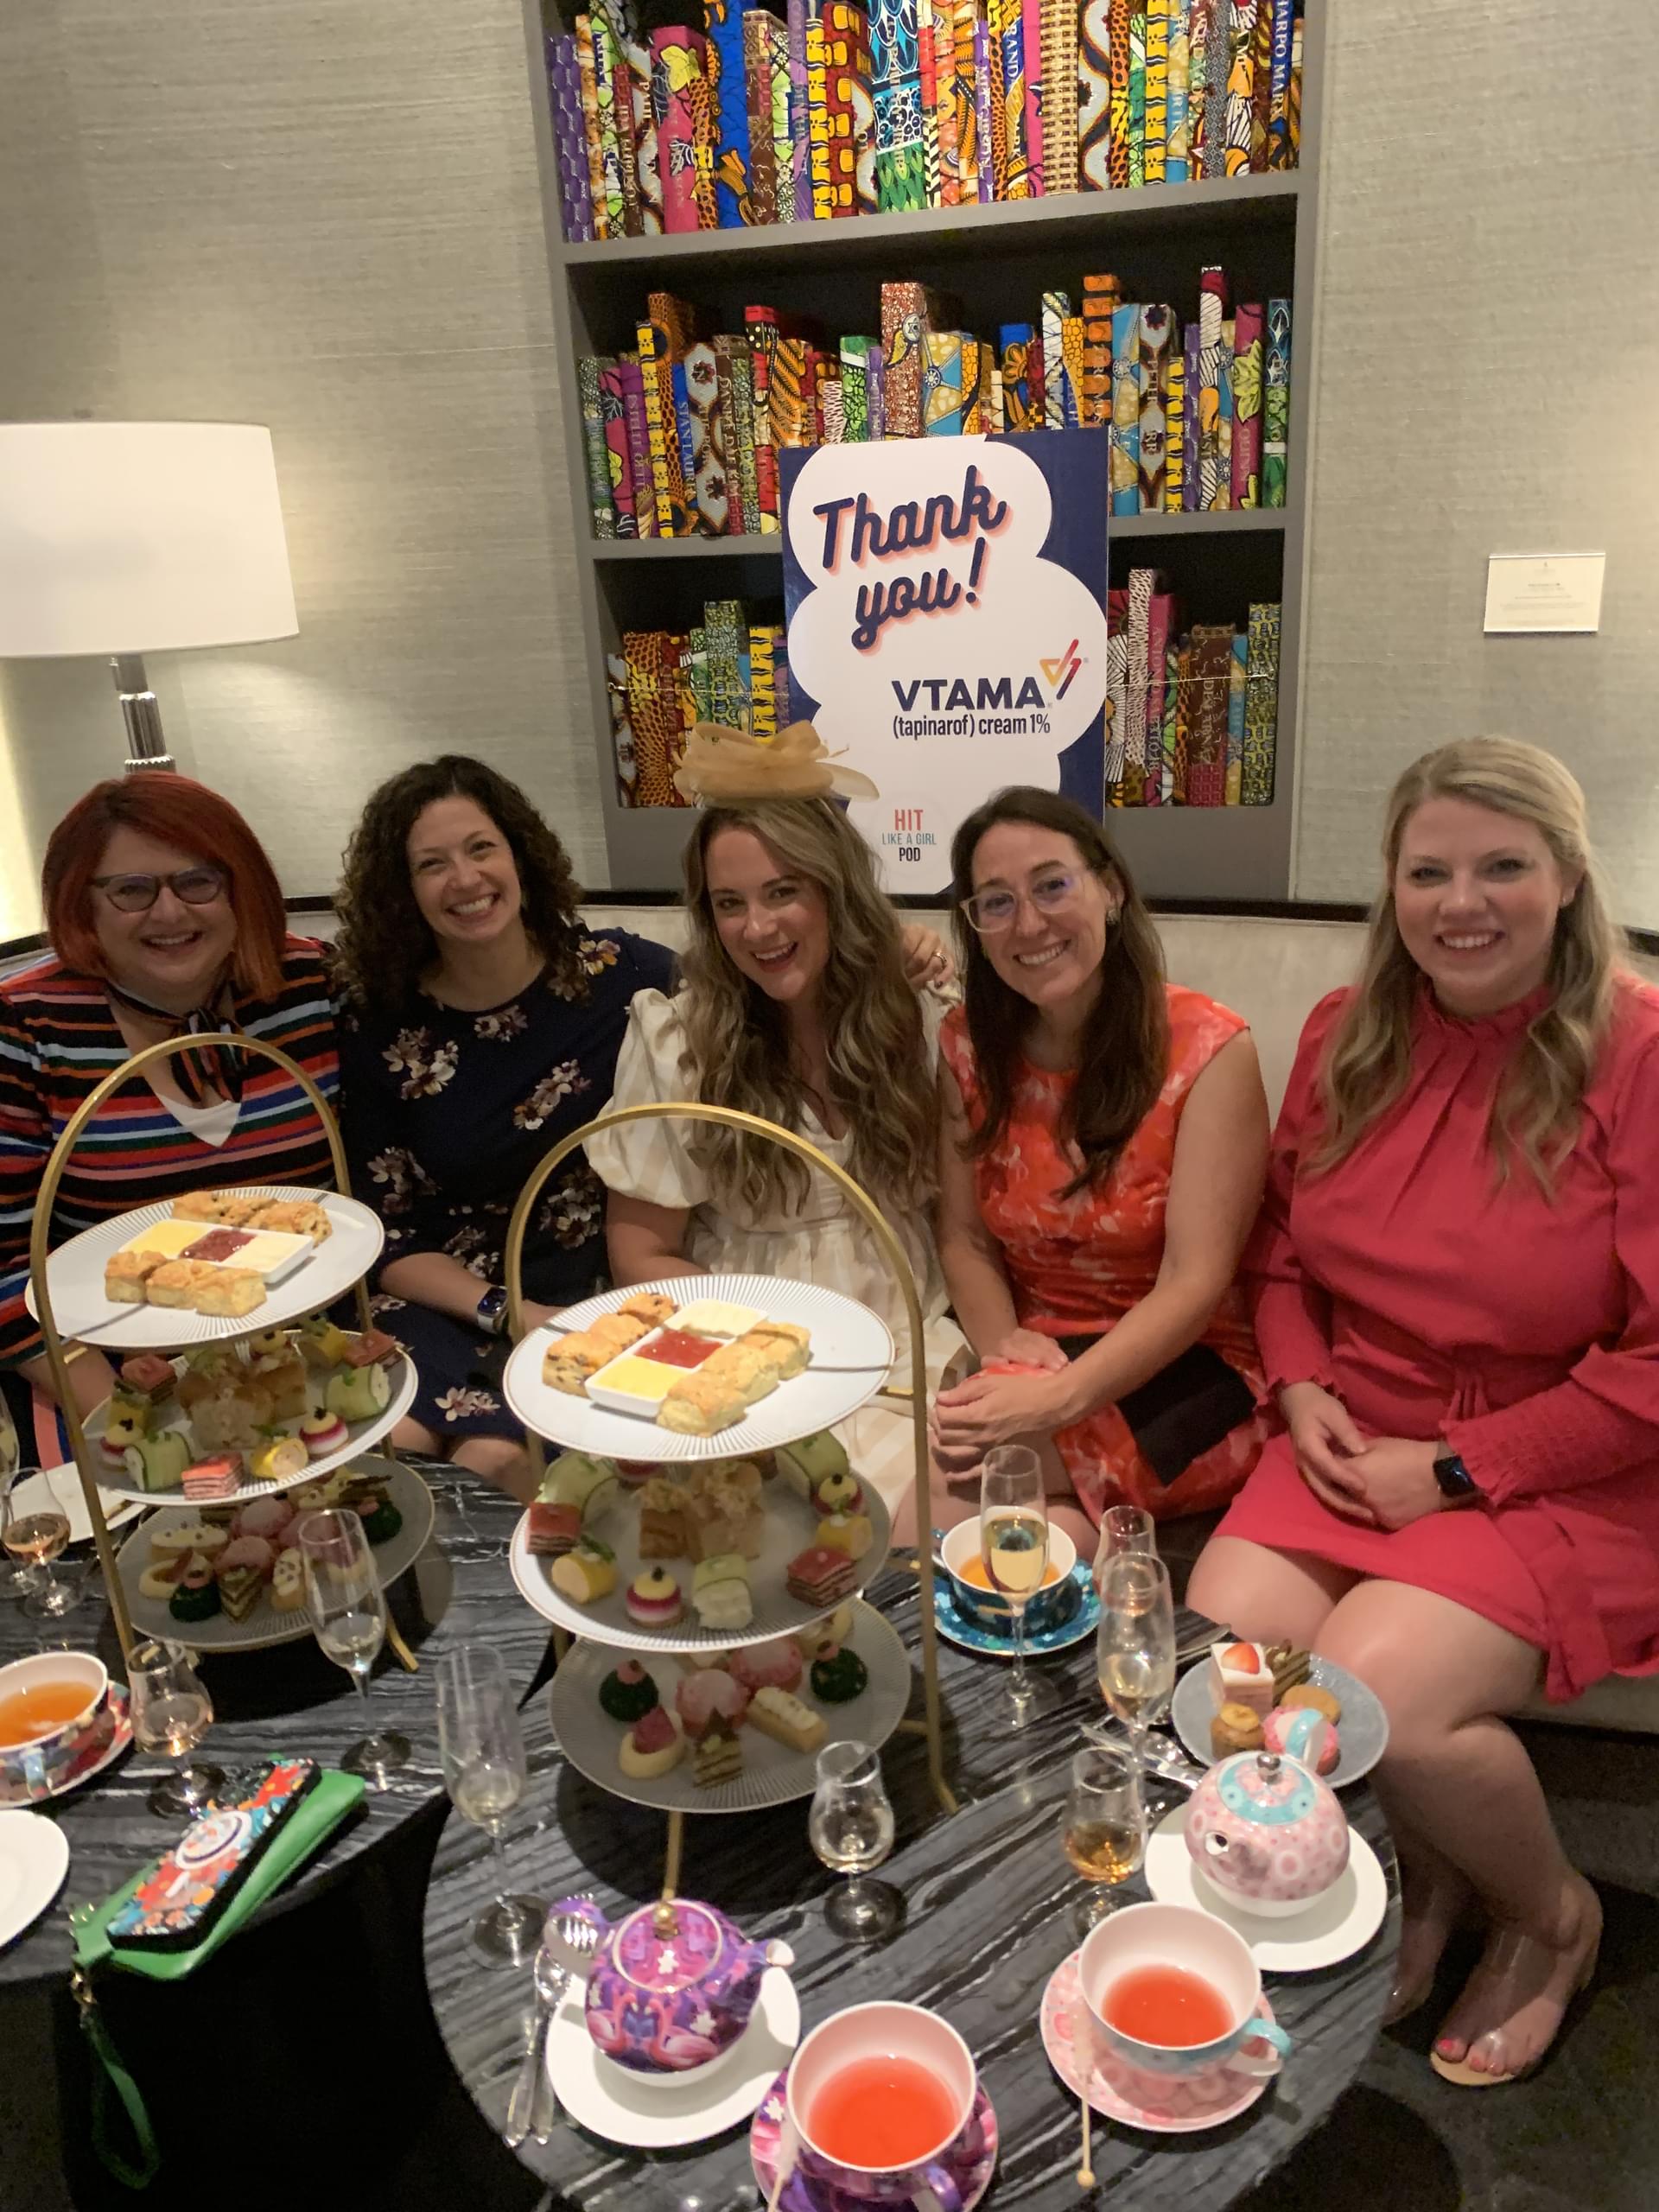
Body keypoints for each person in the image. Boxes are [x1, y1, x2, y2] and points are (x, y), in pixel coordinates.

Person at [1188, 737, 1658, 2087]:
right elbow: (1281, 1253)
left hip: (1561, 1456)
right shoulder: (1349, 1033)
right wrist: (1302, 1386)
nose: (1463, 903)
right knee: (1227, 1662)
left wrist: (1454, 1468)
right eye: (1428, 871)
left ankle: (1550, 1918)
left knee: (1376, 1682)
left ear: (1568, 879)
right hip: (1350, 1433)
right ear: (1390, 887)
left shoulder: (1640, 1053)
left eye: (1503, 866)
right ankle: (1429, 1872)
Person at [586, 723, 960, 1518]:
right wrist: (777, 1333)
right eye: (730, 904)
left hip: (909, 1337)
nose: (757, 929)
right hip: (746, 1351)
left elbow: (965, 1216)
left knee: (944, 1520)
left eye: (783, 891)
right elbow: (639, 1254)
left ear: (835, 892)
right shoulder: (680, 1042)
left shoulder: (909, 1014)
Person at [929, 787, 1270, 1555]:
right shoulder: (967, 1045)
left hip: (1185, 1367)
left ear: (1110, 890)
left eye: (1053, 886)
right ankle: (1089, 1550)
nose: (1029, 924)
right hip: (1039, 1354)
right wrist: (1007, 1351)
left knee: (960, 1494)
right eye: (996, 902)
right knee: (959, 1519)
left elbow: (1194, 1282)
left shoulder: (1208, 1049)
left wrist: (1057, 1400)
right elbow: (963, 1238)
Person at [333, 755, 677, 1500]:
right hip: (444, 1296)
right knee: (388, 1451)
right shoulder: (380, 1025)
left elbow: (758, 990)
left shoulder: (620, 975)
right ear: (403, 891)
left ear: (520, 855)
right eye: (432, 864)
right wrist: (504, 1310)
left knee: (495, 1461)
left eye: (481, 848)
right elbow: (385, 1233)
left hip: (580, 1289)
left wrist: (898, 952)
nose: (465, 879)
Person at [0, 774, 340, 1462]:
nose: (169, 912)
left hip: (311, 1354)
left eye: (197, 882)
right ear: (81, 903)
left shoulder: (307, 985)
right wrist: (138, 1418)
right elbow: (5, 1264)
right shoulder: (26, 1024)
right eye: (131, 890)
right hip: (112, 1377)